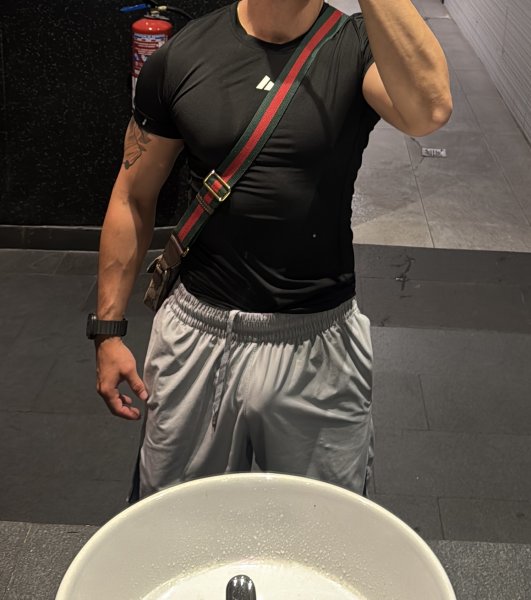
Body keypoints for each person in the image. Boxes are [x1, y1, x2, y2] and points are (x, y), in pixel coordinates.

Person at [90, 0, 451, 502]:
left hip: (319, 344)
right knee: (179, 529)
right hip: (198, 336)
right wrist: (107, 331)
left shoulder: (357, 47)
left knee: (323, 534)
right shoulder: (183, 55)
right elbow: (132, 195)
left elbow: (428, 111)